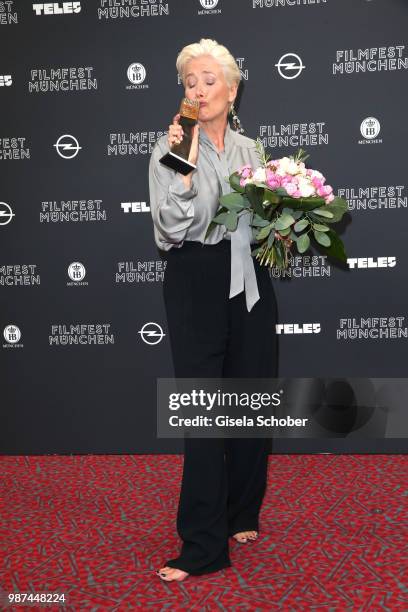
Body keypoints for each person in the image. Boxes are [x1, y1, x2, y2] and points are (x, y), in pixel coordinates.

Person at [148, 38, 278, 582]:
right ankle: (202, 543)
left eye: (207, 80)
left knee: (249, 398)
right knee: (204, 412)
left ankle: (240, 511)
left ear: (232, 87)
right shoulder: (170, 145)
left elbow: (266, 217)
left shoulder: (253, 150)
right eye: (188, 82)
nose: (197, 90)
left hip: (249, 277)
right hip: (196, 277)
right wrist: (185, 171)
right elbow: (168, 229)